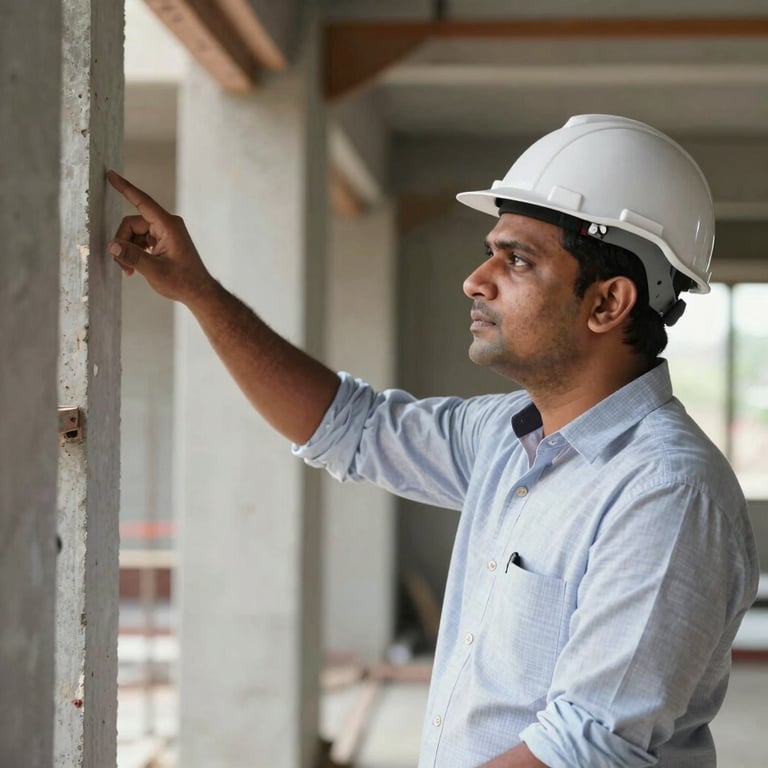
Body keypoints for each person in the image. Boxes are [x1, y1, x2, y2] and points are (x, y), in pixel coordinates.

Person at [108, 114, 758, 768]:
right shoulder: (507, 437)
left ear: (607, 302)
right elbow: (350, 427)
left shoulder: (667, 493)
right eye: (489, 251)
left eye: (517, 260)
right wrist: (197, 291)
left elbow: (581, 747)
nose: (476, 280)